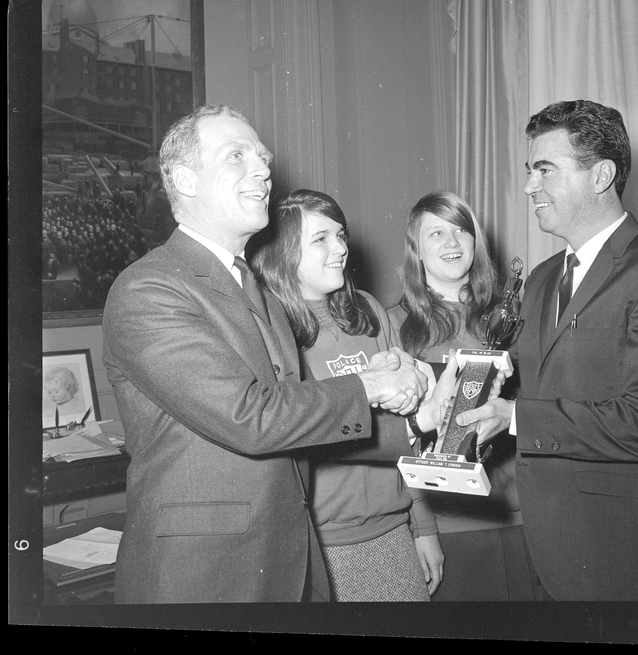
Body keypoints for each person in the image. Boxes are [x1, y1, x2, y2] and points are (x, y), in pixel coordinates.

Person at [102, 104, 443, 604]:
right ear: (185, 179)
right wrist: (368, 386)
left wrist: (416, 425)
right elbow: (250, 416)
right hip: (203, 575)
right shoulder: (149, 289)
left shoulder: (254, 290)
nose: (262, 169)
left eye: (262, 158)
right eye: (236, 156)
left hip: (289, 557)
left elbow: (296, 423)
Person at [456, 100, 638, 601]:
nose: (530, 186)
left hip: (630, 567)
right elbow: (527, 384)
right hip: (549, 557)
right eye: (530, 171)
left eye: (545, 170)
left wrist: (514, 417)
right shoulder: (541, 280)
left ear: (602, 176)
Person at [253, 189, 455, 600]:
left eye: (341, 235)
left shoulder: (366, 310)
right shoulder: (269, 330)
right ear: (283, 252)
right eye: (321, 239)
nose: (341, 248)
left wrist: (423, 525)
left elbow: (406, 431)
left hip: (393, 529)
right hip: (322, 543)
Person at [386, 191, 536, 601]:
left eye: (461, 230)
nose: (453, 242)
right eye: (436, 233)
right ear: (416, 249)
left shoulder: (513, 319)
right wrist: (424, 529)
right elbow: (400, 437)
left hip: (522, 512)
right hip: (450, 521)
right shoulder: (396, 326)